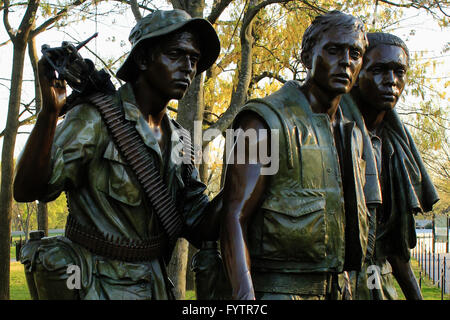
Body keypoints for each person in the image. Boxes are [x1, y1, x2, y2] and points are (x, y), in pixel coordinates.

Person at [13, 9, 221, 300]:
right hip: (97, 287)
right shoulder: (94, 119)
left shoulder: (181, 141)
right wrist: (49, 113)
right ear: (143, 59)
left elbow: (201, 227)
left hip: (158, 287)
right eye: (176, 54)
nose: (188, 67)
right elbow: (27, 189)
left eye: (194, 59)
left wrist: (241, 181)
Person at [219, 10, 381, 300]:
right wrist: (245, 299)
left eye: (355, 53)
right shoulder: (264, 121)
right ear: (307, 57)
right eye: (333, 50)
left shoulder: (353, 135)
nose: (345, 61)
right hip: (278, 291)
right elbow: (234, 216)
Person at [341, 32, 440, 300]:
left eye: (399, 71)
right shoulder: (327, 133)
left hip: (379, 286)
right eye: (379, 70)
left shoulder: (397, 146)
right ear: (356, 74)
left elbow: (396, 248)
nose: (391, 81)